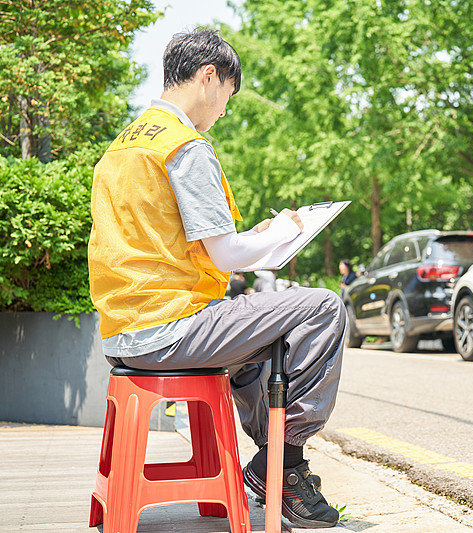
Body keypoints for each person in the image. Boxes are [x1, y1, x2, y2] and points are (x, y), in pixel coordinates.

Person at [87, 29, 344, 529]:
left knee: (256, 339)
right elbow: (224, 254)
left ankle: (279, 472)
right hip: (171, 325)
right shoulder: (186, 146)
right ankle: (283, 466)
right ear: (210, 77)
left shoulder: (123, 146)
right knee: (323, 308)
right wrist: (288, 231)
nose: (223, 110)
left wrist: (261, 235)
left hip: (124, 331)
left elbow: (178, 243)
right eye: (228, 95)